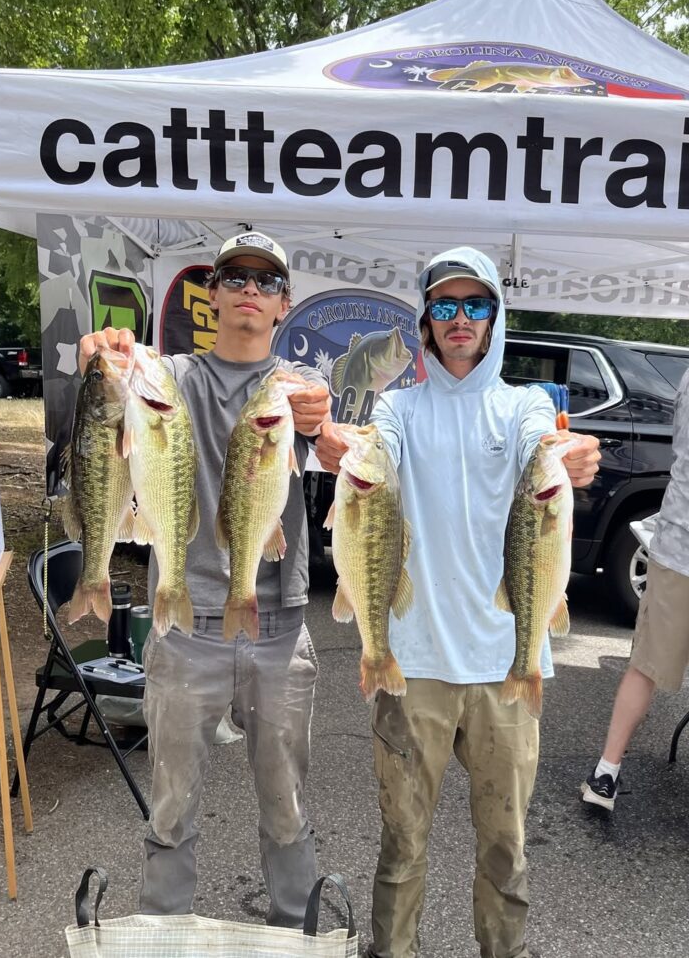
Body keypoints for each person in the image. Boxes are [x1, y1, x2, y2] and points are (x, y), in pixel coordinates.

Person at [316, 247, 601, 958]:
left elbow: (550, 446)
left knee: (505, 851)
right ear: (426, 321)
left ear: (496, 315)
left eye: (476, 304)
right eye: (445, 306)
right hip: (412, 667)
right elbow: (369, 448)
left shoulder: (526, 403)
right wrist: (333, 443)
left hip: (509, 667)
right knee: (402, 847)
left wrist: (571, 459)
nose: (461, 319)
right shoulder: (399, 408)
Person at [79, 231, 331, 927]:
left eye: (267, 281)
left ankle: (296, 933)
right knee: (172, 806)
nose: (251, 288)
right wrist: (102, 352)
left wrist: (323, 423)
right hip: (182, 628)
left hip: (278, 630)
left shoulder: (298, 390)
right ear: (211, 294)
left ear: (284, 306)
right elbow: (110, 366)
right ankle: (159, 931)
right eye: (236, 276)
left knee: (288, 811)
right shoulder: (171, 377)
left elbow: (326, 432)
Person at [582, 366, 689, 811]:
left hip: (680, 545)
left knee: (645, 665)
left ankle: (606, 773)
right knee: (644, 666)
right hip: (679, 544)